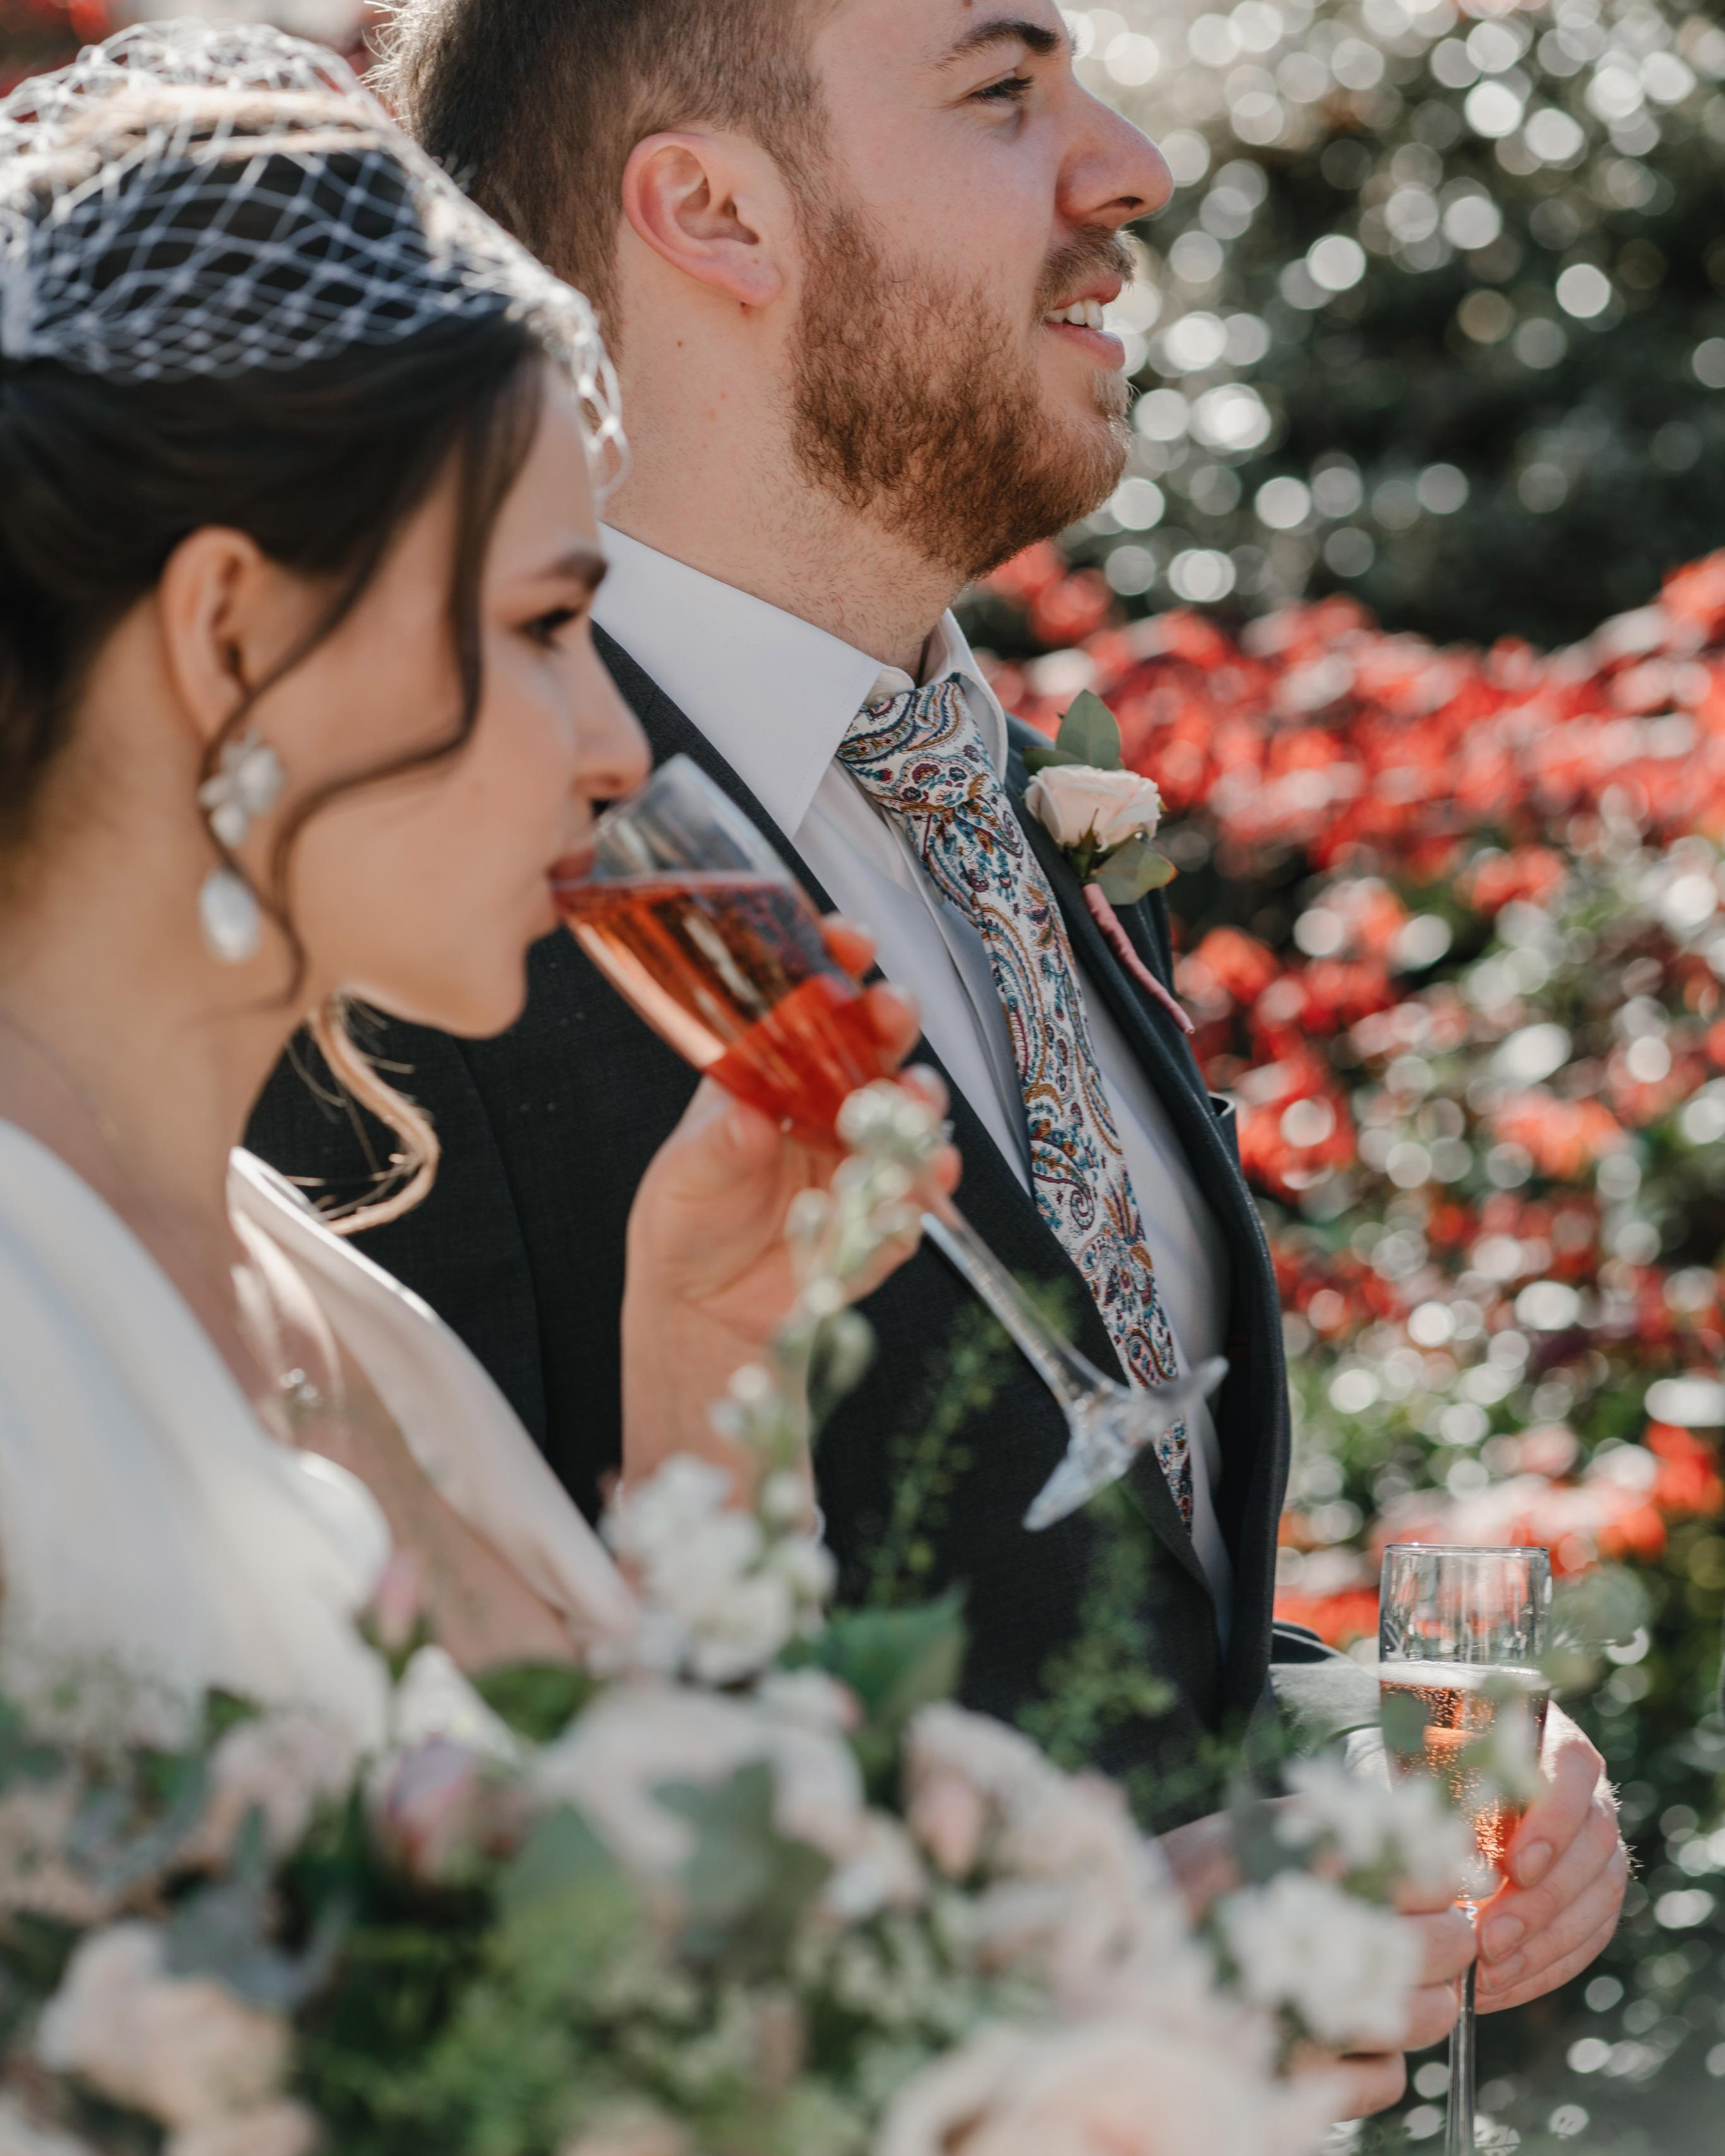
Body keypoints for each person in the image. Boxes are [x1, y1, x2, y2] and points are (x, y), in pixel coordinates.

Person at [243, 0, 1621, 2109]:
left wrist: (1350, 1763)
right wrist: (1011, 1982)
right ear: (710, 211)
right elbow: (373, 1830)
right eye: (1008, 89)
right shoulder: (412, 895)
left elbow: (1083, 1620)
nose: (1132, 160)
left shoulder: (988, 780)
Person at [0, 20, 943, 1748]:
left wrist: (705, 1375)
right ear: (227, 632)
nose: (611, 748)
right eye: (538, 625)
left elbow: (653, 1927)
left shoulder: (311, 1282)